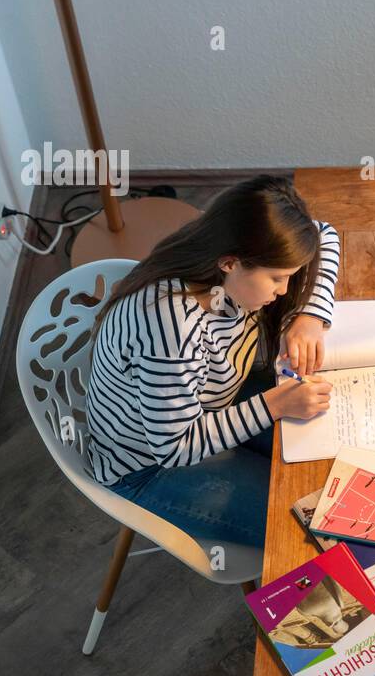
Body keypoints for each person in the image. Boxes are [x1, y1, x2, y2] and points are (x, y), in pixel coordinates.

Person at [84, 174, 340, 547]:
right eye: (277, 278)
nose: (285, 290)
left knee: (327, 465)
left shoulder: (221, 248)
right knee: (309, 524)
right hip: (148, 467)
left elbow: (325, 234)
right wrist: (275, 405)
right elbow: (175, 448)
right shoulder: (171, 330)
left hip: (213, 400)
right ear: (231, 264)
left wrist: (310, 317)